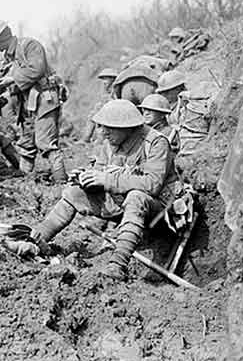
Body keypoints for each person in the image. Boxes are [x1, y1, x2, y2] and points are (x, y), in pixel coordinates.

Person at [30, 99, 177, 281]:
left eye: (110, 127)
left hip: (159, 211)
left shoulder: (156, 142)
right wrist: (86, 176)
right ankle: (37, 238)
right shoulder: (111, 142)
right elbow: (100, 170)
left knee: (137, 196)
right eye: (102, 127)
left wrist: (107, 179)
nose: (104, 132)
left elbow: (152, 184)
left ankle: (118, 264)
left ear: (128, 127)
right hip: (121, 204)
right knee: (73, 192)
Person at [0, 20, 67, 182]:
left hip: (45, 99)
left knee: (45, 142)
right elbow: (1, 79)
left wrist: (12, 79)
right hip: (28, 103)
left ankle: (62, 183)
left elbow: (36, 70)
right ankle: (25, 180)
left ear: (2, 39)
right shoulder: (9, 57)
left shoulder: (30, 46)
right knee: (26, 142)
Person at [155, 70, 210, 161]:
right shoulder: (170, 106)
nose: (164, 95)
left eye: (167, 92)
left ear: (178, 88)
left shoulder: (190, 105)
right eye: (162, 93)